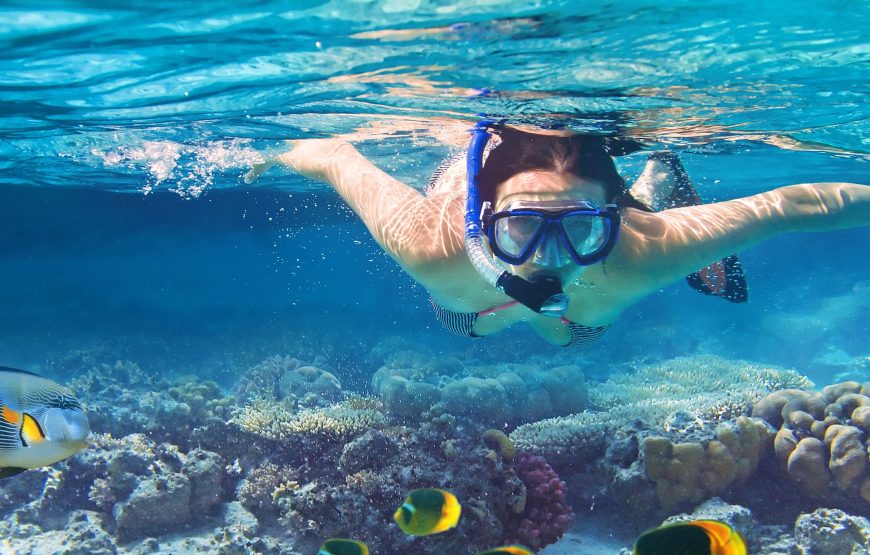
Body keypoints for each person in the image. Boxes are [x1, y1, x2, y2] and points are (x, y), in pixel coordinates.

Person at [245, 122, 869, 346]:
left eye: (579, 228)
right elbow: (332, 153)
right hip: (474, 304)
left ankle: (652, 183)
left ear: (613, 219)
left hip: (581, 310)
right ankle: (650, 181)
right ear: (483, 218)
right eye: (520, 226)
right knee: (482, 321)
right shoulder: (431, 243)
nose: (550, 258)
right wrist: (277, 154)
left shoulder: (644, 250)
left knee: (567, 333)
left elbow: (796, 204)